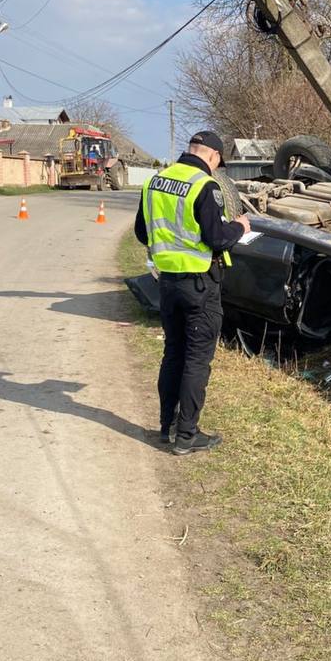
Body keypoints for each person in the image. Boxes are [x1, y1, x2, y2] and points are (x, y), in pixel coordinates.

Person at [135, 131, 251, 454]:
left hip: (167, 284)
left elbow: (142, 231)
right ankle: (186, 435)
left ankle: (166, 425)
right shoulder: (204, 185)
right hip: (199, 285)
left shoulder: (154, 182)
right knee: (196, 360)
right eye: (217, 162)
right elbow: (217, 238)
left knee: (173, 353)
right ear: (213, 156)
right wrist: (240, 225)